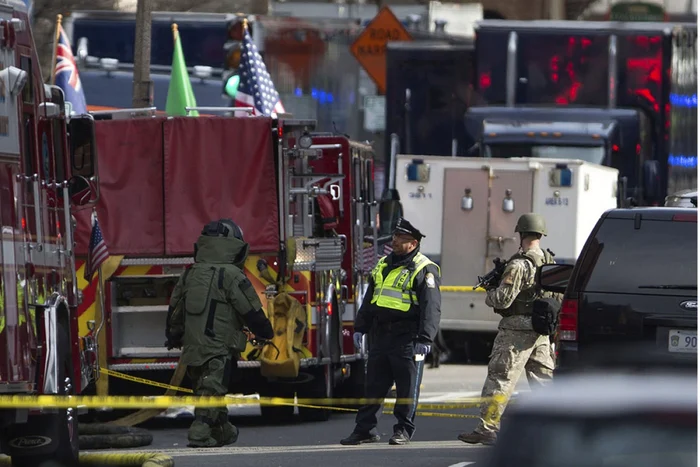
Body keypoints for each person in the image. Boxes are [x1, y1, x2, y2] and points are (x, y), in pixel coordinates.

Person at [165, 218, 273, 448]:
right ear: (235, 246)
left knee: (207, 389)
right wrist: (266, 332)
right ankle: (199, 432)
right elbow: (250, 310)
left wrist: (173, 336)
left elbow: (175, 309)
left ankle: (222, 431)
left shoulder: (190, 274)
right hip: (219, 348)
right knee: (212, 390)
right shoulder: (233, 276)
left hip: (193, 348)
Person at [458, 213, 558, 446]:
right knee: (545, 381)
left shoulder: (518, 264)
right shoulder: (548, 260)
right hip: (541, 330)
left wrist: (489, 293)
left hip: (515, 331)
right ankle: (556, 426)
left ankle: (487, 428)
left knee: (500, 378)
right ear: (540, 234)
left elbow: (502, 300)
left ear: (521, 234)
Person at [340, 217, 441, 446]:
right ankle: (365, 429)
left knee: (406, 388)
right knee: (373, 386)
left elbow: (431, 307)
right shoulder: (384, 263)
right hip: (381, 335)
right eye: (395, 236)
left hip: (408, 338)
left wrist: (425, 338)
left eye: (401, 238)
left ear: (413, 244)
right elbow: (371, 299)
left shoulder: (424, 269)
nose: (394, 241)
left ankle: (403, 430)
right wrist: (360, 328)